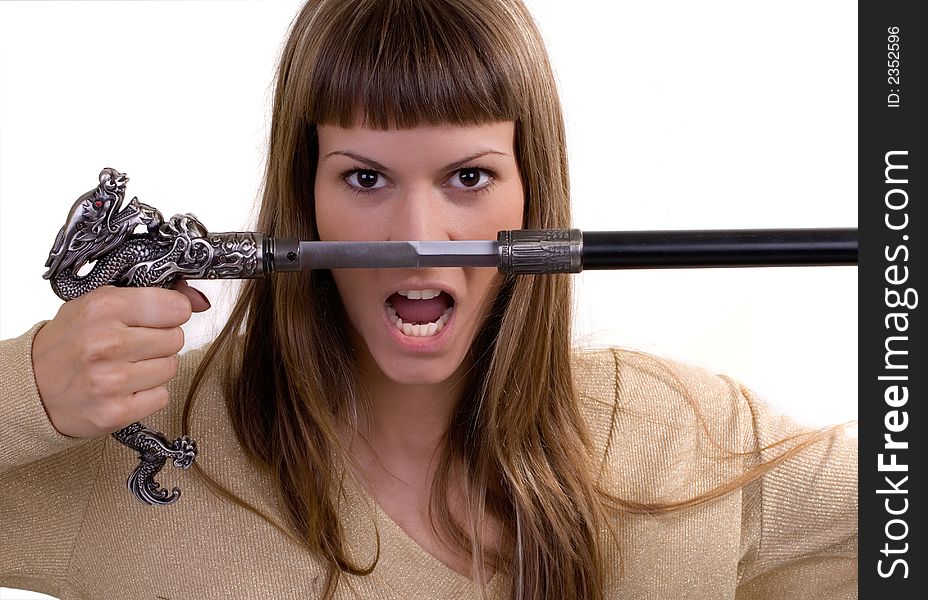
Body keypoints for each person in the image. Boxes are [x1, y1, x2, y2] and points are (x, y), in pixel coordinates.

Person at [0, 0, 856, 599]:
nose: (421, 232)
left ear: (533, 198)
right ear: (305, 196)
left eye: (469, 177)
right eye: (365, 177)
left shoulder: (687, 442)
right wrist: (26, 389)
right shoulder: (124, 456)